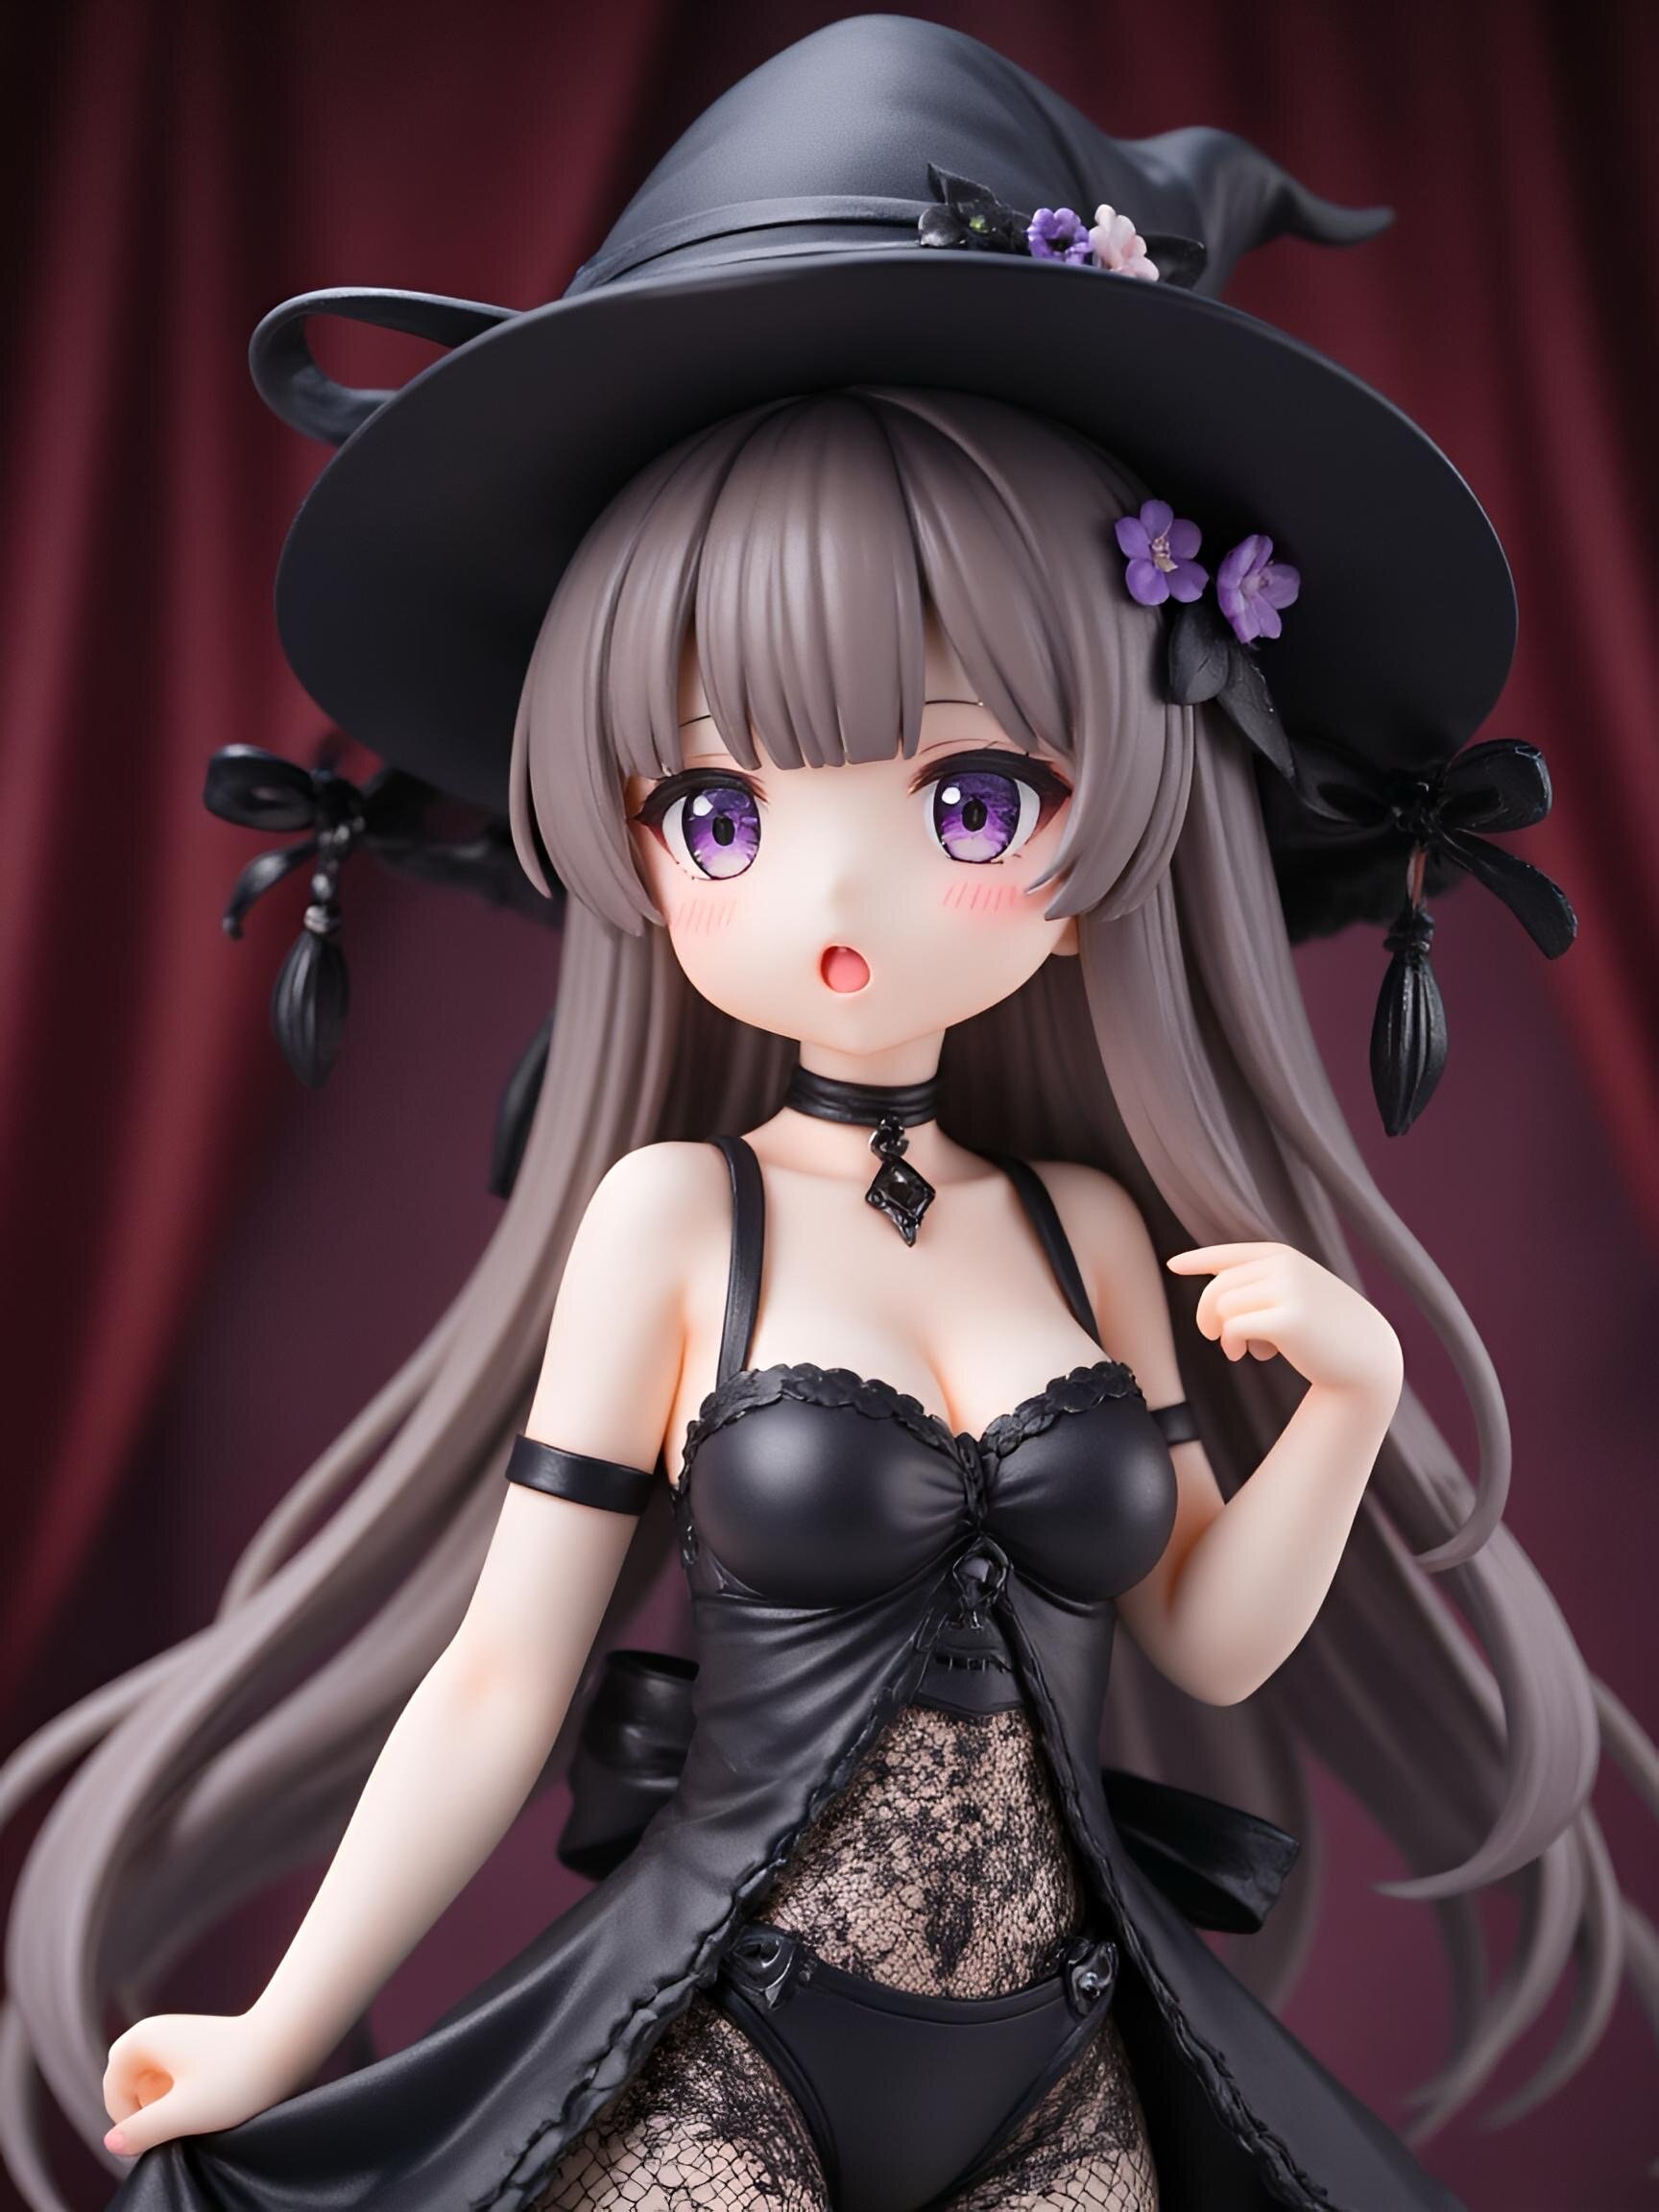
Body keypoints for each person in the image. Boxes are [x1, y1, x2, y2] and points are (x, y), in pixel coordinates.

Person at [2, 17, 1649, 2212]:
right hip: (731, 2046)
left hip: (1066, 2058)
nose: (833, 898)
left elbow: (1199, 1638)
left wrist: (1346, 1407)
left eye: (969, 799)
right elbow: (502, 1679)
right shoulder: (678, 1224)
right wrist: (278, 2025)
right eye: (719, 810)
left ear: (1119, 826)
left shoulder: (1085, 1234)